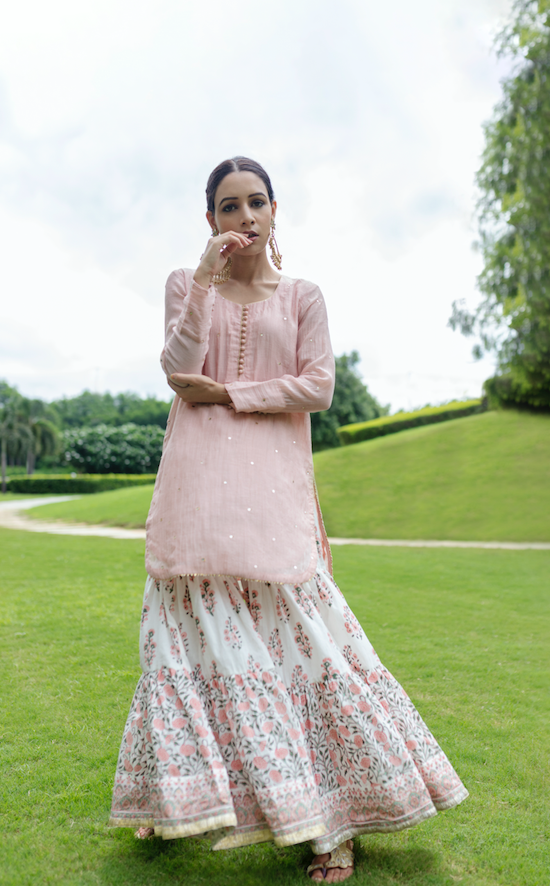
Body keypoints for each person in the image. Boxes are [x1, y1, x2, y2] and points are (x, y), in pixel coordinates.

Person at [109, 156, 468, 882]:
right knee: (179, 648)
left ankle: (334, 820)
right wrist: (204, 279)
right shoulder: (186, 284)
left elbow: (319, 386)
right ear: (210, 220)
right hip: (194, 490)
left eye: (256, 203)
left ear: (275, 212)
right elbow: (178, 369)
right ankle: (178, 793)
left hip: (272, 493)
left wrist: (231, 394)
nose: (244, 217)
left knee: (306, 650)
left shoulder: (304, 296)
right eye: (228, 206)